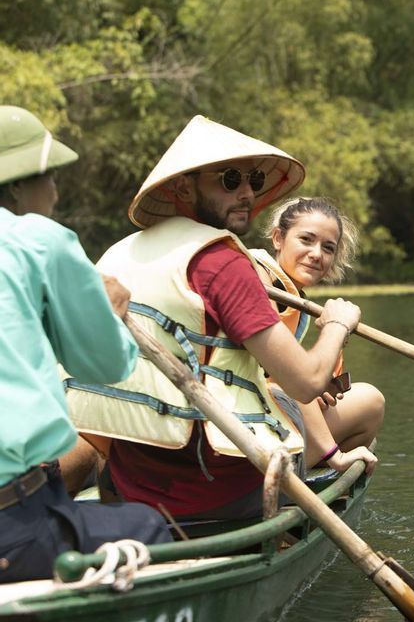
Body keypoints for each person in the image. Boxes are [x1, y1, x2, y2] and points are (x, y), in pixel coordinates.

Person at [65, 115, 375, 521]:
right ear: (182, 187)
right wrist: (337, 323)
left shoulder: (122, 252)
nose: (246, 192)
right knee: (370, 403)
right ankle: (281, 529)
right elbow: (306, 382)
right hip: (215, 491)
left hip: (124, 487)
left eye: (253, 181)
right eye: (229, 180)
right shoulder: (222, 264)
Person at [0, 105, 171, 583]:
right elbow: (105, 364)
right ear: (17, 185)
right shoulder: (38, 238)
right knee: (148, 525)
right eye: (49, 177)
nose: (55, 191)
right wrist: (110, 314)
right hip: (12, 524)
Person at [252, 197, 384, 468]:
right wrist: (332, 455)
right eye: (306, 240)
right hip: (249, 415)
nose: (316, 254)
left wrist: (320, 386)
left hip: (269, 406)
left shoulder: (290, 293)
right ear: (278, 238)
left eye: (328, 247)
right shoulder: (259, 275)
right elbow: (282, 371)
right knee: (368, 400)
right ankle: (325, 461)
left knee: (368, 401)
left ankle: (308, 472)